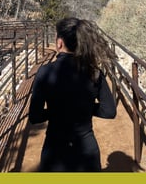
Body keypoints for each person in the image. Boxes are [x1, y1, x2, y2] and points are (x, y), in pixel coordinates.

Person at [28, 17, 117, 172]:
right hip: (87, 152)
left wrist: (57, 110)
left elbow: (35, 117)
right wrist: (84, 107)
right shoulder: (94, 71)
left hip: (55, 152)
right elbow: (109, 111)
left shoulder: (45, 71)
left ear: (59, 42)